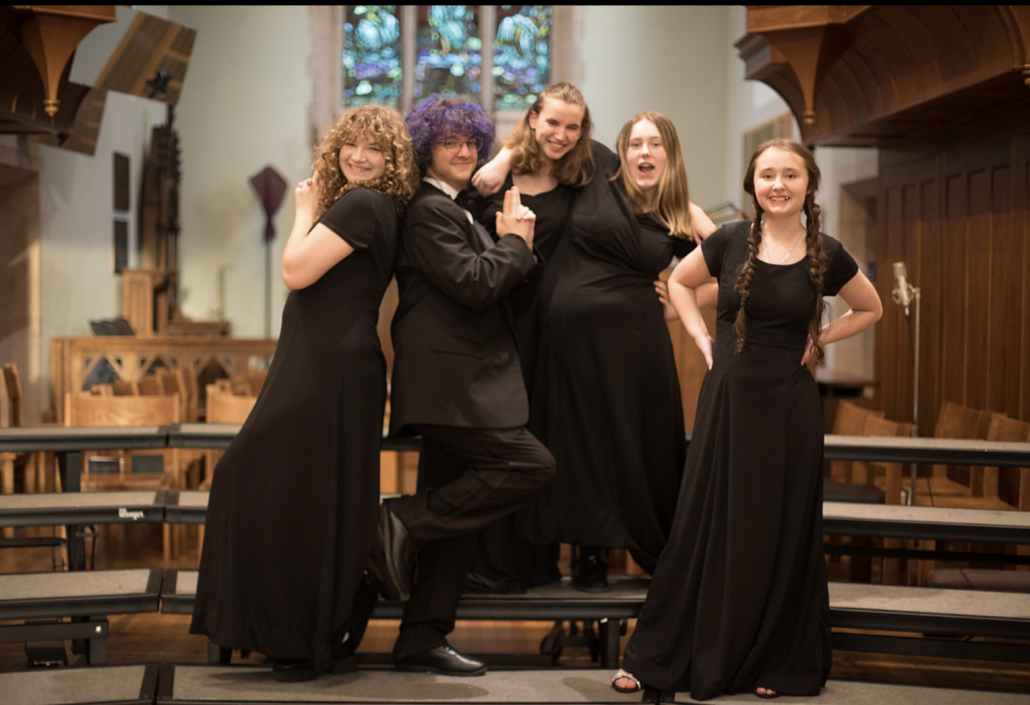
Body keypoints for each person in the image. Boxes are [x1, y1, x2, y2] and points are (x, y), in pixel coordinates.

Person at [618, 138, 883, 701]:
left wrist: (820, 336)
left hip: (789, 409)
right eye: (767, 175)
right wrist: (700, 338)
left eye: (790, 175)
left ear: (809, 184)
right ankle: (657, 654)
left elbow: (871, 307)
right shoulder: (729, 238)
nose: (778, 185)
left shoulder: (827, 251)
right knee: (700, 524)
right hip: (729, 401)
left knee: (779, 530)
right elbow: (681, 283)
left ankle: (775, 660)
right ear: (753, 184)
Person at [190, 105, 420, 682]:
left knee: (247, 475)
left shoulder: (361, 203)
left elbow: (294, 271)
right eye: (351, 144)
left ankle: (295, 633)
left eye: (375, 149)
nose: (359, 156)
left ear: (392, 160)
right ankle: (315, 632)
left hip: (326, 364)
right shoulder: (380, 206)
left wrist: (303, 212)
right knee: (315, 499)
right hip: (336, 361)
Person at [474, 106, 717, 594]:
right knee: (574, 446)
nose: (644, 152)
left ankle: (606, 554)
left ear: (670, 154)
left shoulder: (676, 215)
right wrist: (500, 160)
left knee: (627, 446)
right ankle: (571, 553)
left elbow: (733, 270)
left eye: (655, 144)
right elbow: (547, 135)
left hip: (636, 351)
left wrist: (679, 305)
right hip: (568, 345)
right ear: (620, 152)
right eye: (635, 144)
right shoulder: (599, 172)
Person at [371, 95, 555, 677]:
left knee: (459, 521)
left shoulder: (461, 211)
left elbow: (506, 291)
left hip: (467, 384)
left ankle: (421, 637)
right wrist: (515, 244)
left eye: (471, 141)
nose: (464, 151)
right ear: (426, 148)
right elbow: (476, 285)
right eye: (449, 141)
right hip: (452, 386)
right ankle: (401, 519)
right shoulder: (429, 211)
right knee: (530, 465)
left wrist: (520, 247)